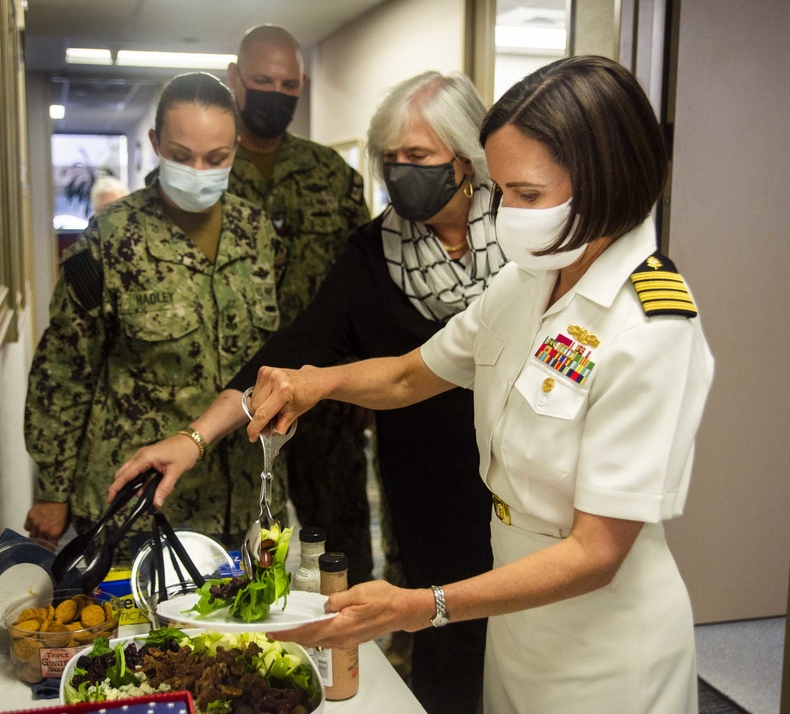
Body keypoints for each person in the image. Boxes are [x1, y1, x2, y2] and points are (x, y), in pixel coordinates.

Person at [242, 56, 714, 714]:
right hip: (518, 616)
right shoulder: (529, 282)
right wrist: (312, 384)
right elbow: (412, 373)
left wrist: (423, 606)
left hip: (605, 642)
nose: (506, 212)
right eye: (503, 190)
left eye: (527, 195)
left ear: (602, 182)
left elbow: (596, 552)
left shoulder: (652, 323)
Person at [112, 70, 505, 713]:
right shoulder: (375, 255)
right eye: (392, 158)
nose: (402, 170)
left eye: (420, 157)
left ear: (465, 159)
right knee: (449, 641)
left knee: (527, 639)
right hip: (430, 484)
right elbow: (291, 355)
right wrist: (194, 437)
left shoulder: (523, 240)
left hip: (520, 476)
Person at [23, 72, 285, 550]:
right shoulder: (111, 236)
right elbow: (63, 370)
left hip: (244, 498)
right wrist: (52, 491)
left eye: (217, 158)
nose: (199, 170)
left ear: (237, 148)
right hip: (141, 502)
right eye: (182, 156)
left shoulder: (257, 232)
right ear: (155, 143)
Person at [225, 25, 374, 584]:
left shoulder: (333, 177)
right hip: (238, 396)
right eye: (262, 80)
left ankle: (347, 654)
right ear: (235, 78)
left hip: (324, 399)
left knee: (339, 546)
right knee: (241, 550)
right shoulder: (208, 170)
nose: (275, 92)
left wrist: (361, 378)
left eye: (289, 83)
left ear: (303, 85)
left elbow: (366, 283)